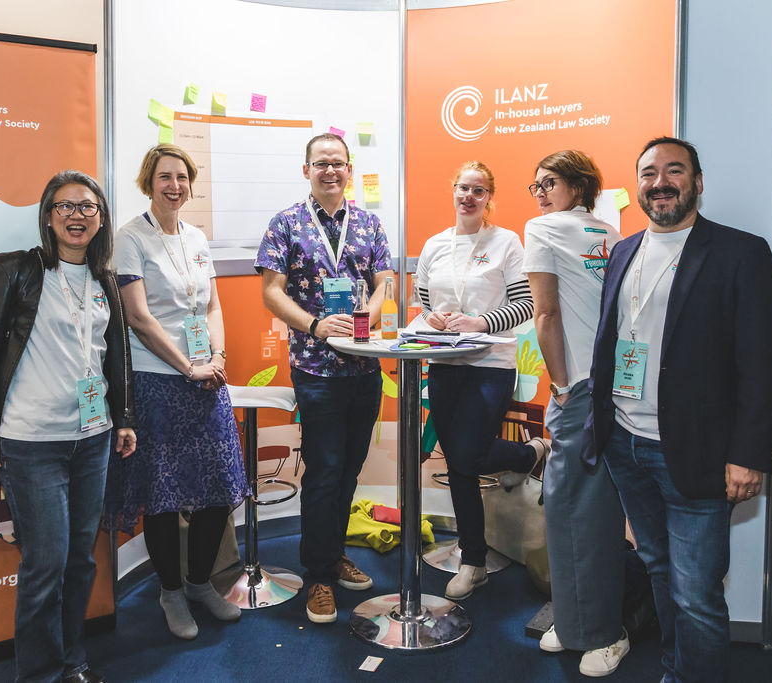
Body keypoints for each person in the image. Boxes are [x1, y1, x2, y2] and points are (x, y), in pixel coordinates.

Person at [584, 137, 772, 683]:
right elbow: (611, 343)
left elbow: (761, 365)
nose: (660, 182)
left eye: (675, 171)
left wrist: (749, 455)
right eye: (648, 173)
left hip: (699, 453)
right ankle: (676, 670)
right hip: (625, 443)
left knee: (695, 593)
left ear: (697, 182)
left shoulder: (741, 253)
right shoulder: (623, 251)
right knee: (658, 570)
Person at [0, 170, 136, 683]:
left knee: (80, 561)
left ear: (101, 218)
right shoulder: (16, 271)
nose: (76, 215)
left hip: (92, 439)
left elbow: (115, 356)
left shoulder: (105, 280)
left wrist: (123, 419)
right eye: (64, 206)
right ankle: (39, 674)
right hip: (32, 441)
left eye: (87, 207)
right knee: (45, 565)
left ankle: (72, 661)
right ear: (47, 216)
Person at [103, 144, 247, 640]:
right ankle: (170, 592)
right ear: (149, 181)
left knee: (216, 490)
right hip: (158, 381)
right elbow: (138, 318)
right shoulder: (129, 237)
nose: (175, 186)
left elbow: (212, 307)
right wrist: (188, 367)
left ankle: (200, 583)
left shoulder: (197, 237)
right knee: (162, 496)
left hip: (206, 379)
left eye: (182, 177)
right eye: (165, 177)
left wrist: (217, 359)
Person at [255, 133, 393, 624]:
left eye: (338, 163)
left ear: (349, 169)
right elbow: (272, 292)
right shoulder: (286, 223)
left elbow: (384, 281)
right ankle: (317, 576)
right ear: (307, 169)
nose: (330, 171)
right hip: (316, 369)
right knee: (323, 471)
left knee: (349, 469)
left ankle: (334, 556)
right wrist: (315, 325)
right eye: (321, 163)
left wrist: (369, 315)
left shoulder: (369, 224)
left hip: (364, 367)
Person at [522, 150, 630, 677]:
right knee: (584, 510)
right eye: (536, 185)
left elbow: (545, 314)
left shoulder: (541, 229)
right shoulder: (611, 233)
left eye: (550, 182)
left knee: (576, 512)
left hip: (579, 387)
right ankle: (575, 619)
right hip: (612, 386)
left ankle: (605, 632)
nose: (540, 193)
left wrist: (562, 386)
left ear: (578, 185)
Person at [415, 160, 541, 601]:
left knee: (467, 455)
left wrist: (480, 322)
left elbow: (525, 304)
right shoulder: (434, 245)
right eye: (463, 188)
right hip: (444, 362)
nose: (469, 196)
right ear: (453, 191)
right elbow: (423, 298)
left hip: (491, 362)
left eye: (479, 190)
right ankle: (475, 562)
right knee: (458, 463)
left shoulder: (506, 242)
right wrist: (433, 317)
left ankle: (527, 454)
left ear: (489, 197)